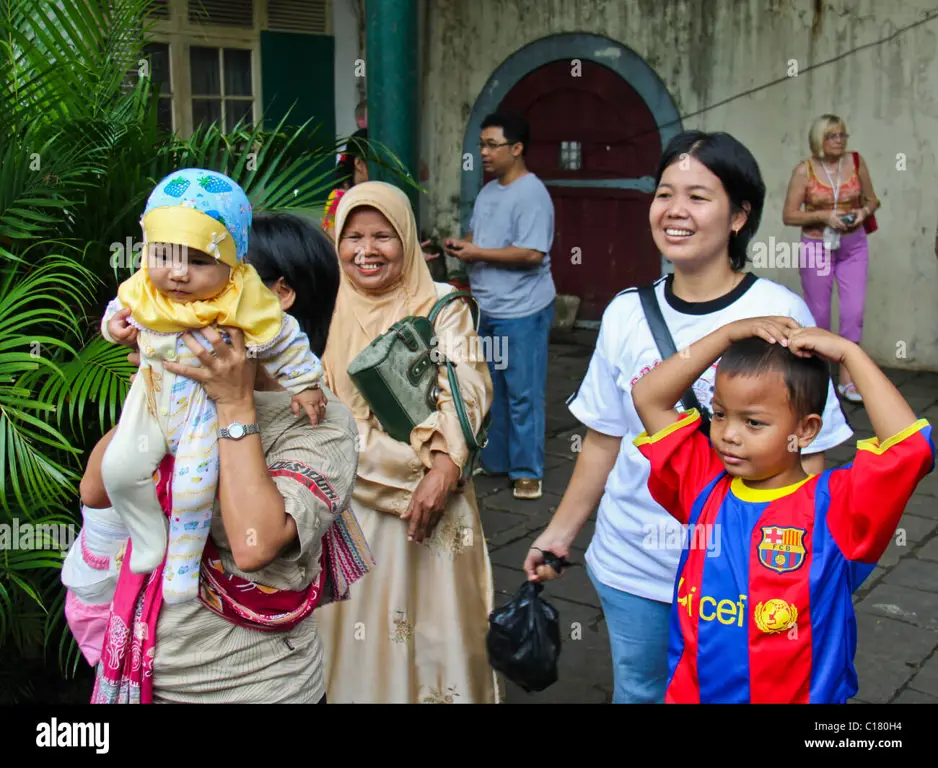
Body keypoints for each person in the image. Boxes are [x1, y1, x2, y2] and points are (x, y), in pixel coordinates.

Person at [523, 130, 854, 704]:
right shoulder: (626, 313)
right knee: (643, 691)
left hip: (746, 571)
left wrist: (809, 563)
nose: (675, 210)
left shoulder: (782, 313)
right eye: (664, 193)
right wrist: (559, 533)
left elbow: (811, 453)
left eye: (698, 196)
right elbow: (604, 439)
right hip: (637, 562)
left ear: (738, 216)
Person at [72, 211, 372, 704]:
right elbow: (96, 489)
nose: (181, 288)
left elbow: (255, 544)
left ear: (275, 297)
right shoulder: (182, 388)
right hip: (147, 673)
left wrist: (234, 406)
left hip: (253, 688)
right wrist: (150, 383)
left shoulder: (323, 423)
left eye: (215, 272)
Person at [628, 316, 934, 703]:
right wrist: (727, 335)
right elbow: (648, 397)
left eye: (754, 422)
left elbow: (911, 450)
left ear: (805, 431)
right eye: (720, 414)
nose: (728, 434)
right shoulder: (703, 483)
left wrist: (850, 354)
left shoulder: (834, 506)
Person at [99, 169, 326, 605]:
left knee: (192, 486)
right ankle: (149, 539)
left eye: (199, 261)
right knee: (118, 470)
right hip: (149, 398)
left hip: (206, 408)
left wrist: (306, 383)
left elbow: (284, 339)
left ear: (233, 264)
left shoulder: (242, 300)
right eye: (164, 256)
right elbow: (120, 309)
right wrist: (116, 327)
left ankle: (182, 567)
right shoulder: (145, 289)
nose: (178, 274)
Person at [315, 180, 501, 704]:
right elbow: (327, 421)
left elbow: (466, 389)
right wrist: (414, 476)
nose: (366, 251)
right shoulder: (320, 309)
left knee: (439, 636)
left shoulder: (441, 304)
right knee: (362, 639)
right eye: (353, 237)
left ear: (408, 239)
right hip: (354, 508)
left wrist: (444, 471)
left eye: (383, 236)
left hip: (439, 506)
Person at [444, 112, 556, 500]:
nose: (484, 152)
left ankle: (528, 471)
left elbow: (531, 253)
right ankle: (498, 462)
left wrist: (477, 252)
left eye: (492, 145)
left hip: (523, 311)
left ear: (517, 148)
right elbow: (478, 237)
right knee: (494, 389)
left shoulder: (532, 194)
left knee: (523, 391)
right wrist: (463, 246)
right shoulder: (490, 191)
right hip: (488, 309)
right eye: (481, 145)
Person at [782, 114, 880, 403]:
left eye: (842, 135)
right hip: (817, 245)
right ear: (819, 140)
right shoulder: (805, 171)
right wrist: (824, 215)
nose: (839, 141)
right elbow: (789, 215)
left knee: (853, 313)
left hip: (853, 245)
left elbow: (873, 200)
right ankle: (819, 377)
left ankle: (849, 380)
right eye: (832, 136)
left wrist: (863, 213)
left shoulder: (856, 163)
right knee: (818, 315)